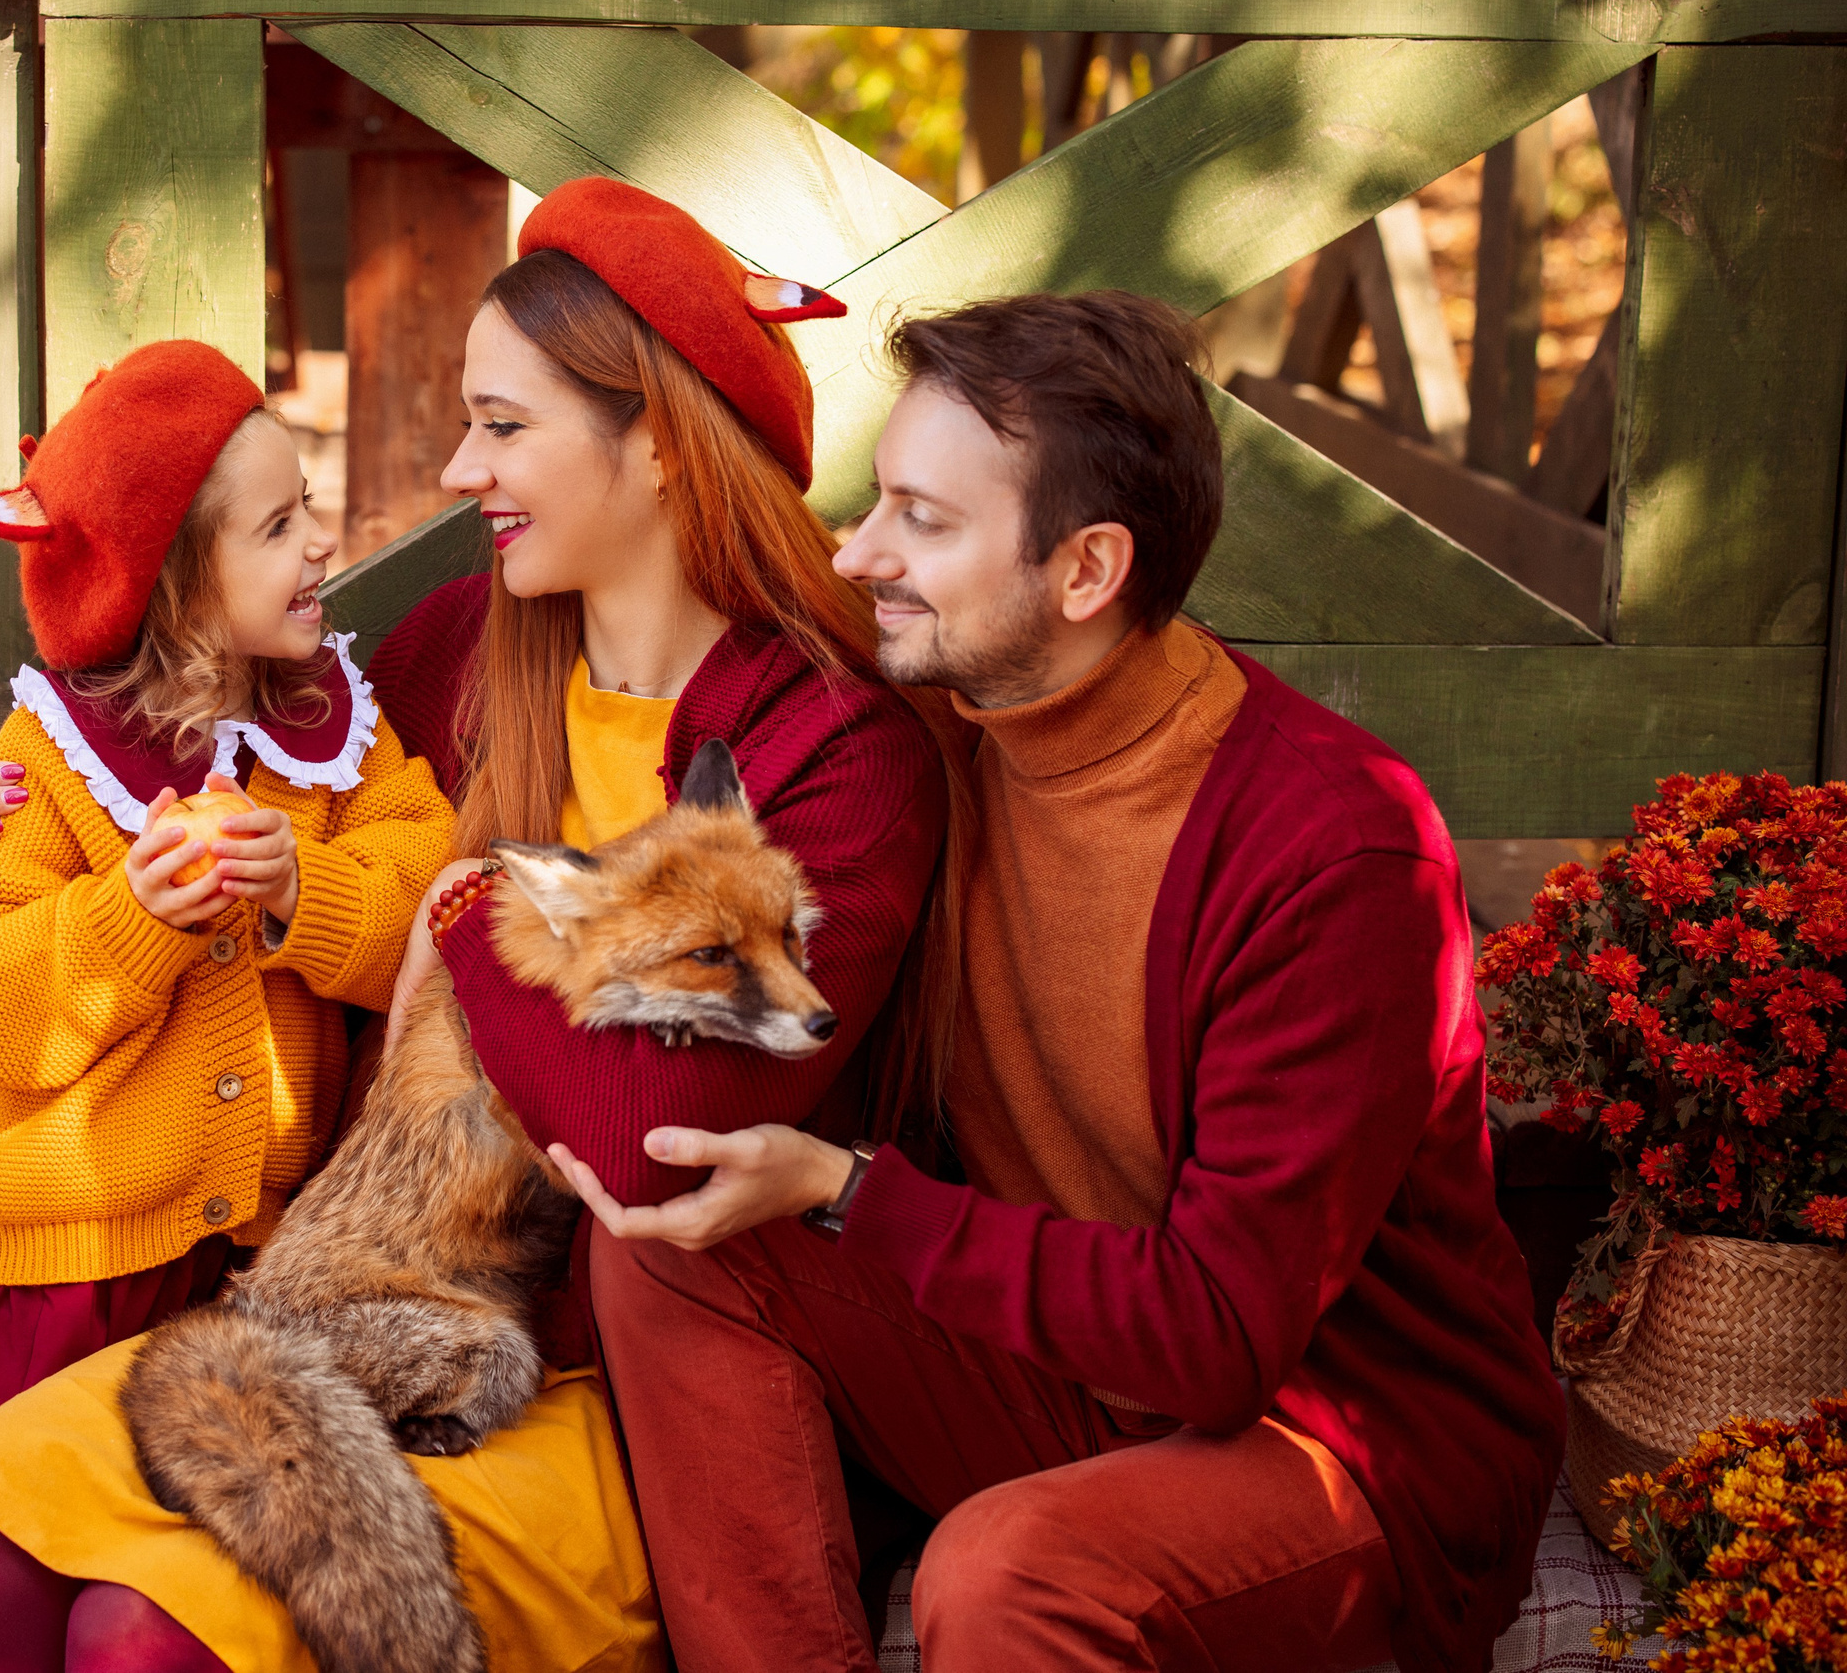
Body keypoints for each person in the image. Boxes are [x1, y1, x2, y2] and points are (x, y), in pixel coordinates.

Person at [0, 177, 953, 1672]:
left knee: (143, 1637)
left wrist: (466, 918)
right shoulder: (458, 656)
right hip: (351, 1303)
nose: (460, 468)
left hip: (598, 1355)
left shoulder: (833, 750)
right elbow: (206, 750)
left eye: (504, 425)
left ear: (656, 435)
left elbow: (671, 1126)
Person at [539, 291, 1567, 1673]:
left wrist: (851, 1196)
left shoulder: (1331, 850)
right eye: (875, 501)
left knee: (1008, 1577)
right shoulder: (937, 729)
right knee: (667, 1243)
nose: (859, 554)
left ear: (1085, 573)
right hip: (1061, 1362)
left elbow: (1219, 1336)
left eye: (925, 520)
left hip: (1327, 1428)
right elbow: (704, 659)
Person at [0, 338, 459, 1672]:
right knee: (3, 1561)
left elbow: (433, 888)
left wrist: (312, 892)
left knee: (171, 1583)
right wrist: (138, 918)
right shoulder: (48, 765)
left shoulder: (332, 727)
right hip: (73, 1278)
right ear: (177, 584)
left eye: (311, 509)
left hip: (263, 1273)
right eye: (280, 525)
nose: (322, 545)